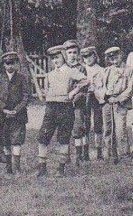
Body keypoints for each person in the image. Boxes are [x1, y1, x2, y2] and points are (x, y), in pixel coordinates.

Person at [36, 45, 75, 177]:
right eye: (52, 59)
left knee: (63, 139)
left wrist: (73, 93)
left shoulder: (71, 71)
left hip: (65, 108)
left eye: (57, 57)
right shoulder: (49, 75)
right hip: (51, 108)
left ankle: (61, 169)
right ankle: (42, 169)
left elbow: (85, 81)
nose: (55, 61)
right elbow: (46, 91)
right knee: (42, 137)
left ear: (63, 56)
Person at [0, 50, 30, 174]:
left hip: (18, 115)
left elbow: (26, 96)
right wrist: (3, 108)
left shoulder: (23, 78)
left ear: (17, 64)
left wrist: (17, 109)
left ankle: (17, 169)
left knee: (16, 141)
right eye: (7, 63)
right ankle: (8, 169)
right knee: (5, 141)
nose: (10, 66)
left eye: (13, 63)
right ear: (4, 65)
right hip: (2, 115)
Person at [101, 47, 133, 159]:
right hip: (107, 102)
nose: (114, 60)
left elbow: (129, 89)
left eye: (116, 57)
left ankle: (124, 153)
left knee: (120, 128)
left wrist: (118, 99)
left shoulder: (128, 70)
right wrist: (105, 95)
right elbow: (100, 86)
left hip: (120, 102)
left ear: (121, 55)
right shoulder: (107, 70)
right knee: (107, 127)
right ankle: (108, 152)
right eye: (111, 58)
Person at [63, 40, 91, 166]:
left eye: (75, 52)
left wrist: (73, 95)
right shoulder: (62, 68)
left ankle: (79, 157)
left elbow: (83, 88)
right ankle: (66, 156)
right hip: (63, 103)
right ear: (65, 54)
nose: (72, 55)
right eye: (69, 52)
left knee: (78, 128)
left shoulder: (81, 68)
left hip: (76, 104)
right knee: (64, 130)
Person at [81, 46, 106, 160]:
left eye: (90, 56)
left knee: (98, 124)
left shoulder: (101, 70)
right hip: (85, 97)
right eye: (85, 57)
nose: (88, 59)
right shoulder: (82, 69)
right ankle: (85, 152)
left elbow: (104, 86)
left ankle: (99, 151)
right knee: (85, 124)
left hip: (97, 98)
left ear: (95, 56)